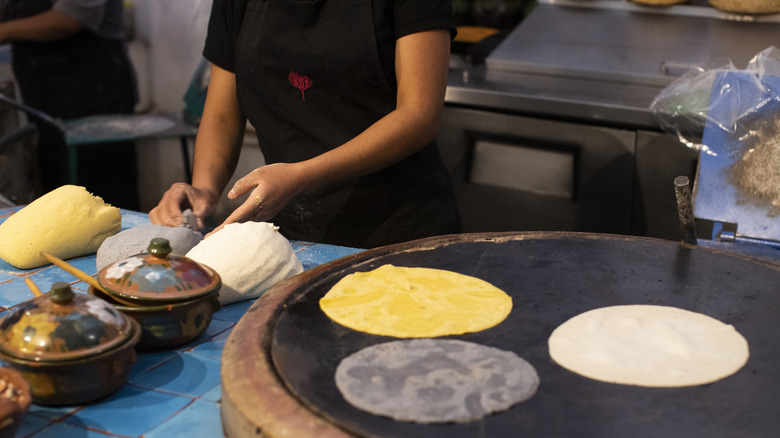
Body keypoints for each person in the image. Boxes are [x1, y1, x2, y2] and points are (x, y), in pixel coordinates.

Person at [149, 0, 461, 249]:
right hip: (293, 237)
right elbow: (221, 114)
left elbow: (418, 115)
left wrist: (301, 176)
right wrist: (204, 189)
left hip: (399, 229)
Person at [0, 0, 140, 210]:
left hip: (94, 95)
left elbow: (68, 20)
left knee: (104, 201)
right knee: (60, 201)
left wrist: (3, 31)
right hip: (47, 97)